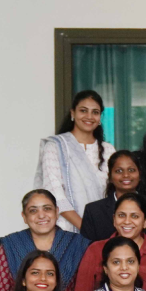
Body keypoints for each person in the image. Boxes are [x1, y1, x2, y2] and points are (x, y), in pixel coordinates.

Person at [0, 190, 89, 291]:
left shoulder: (78, 244)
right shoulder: (11, 245)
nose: (41, 215)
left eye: (47, 209)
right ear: (24, 216)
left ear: (57, 212)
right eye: (33, 210)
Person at [72, 194, 146, 291]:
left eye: (134, 216)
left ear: (145, 222)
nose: (127, 221)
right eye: (121, 215)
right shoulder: (95, 250)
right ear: (114, 219)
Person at [36, 89, 112, 232]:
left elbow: (112, 192)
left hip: (103, 227)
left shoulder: (108, 150)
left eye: (95, 112)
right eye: (83, 110)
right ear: (73, 113)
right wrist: (85, 227)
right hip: (65, 228)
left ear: (100, 117)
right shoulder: (55, 147)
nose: (89, 116)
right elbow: (54, 193)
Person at [81, 151, 146, 245]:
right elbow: (86, 249)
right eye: (119, 171)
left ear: (139, 175)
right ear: (110, 177)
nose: (126, 175)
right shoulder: (93, 211)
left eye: (131, 170)